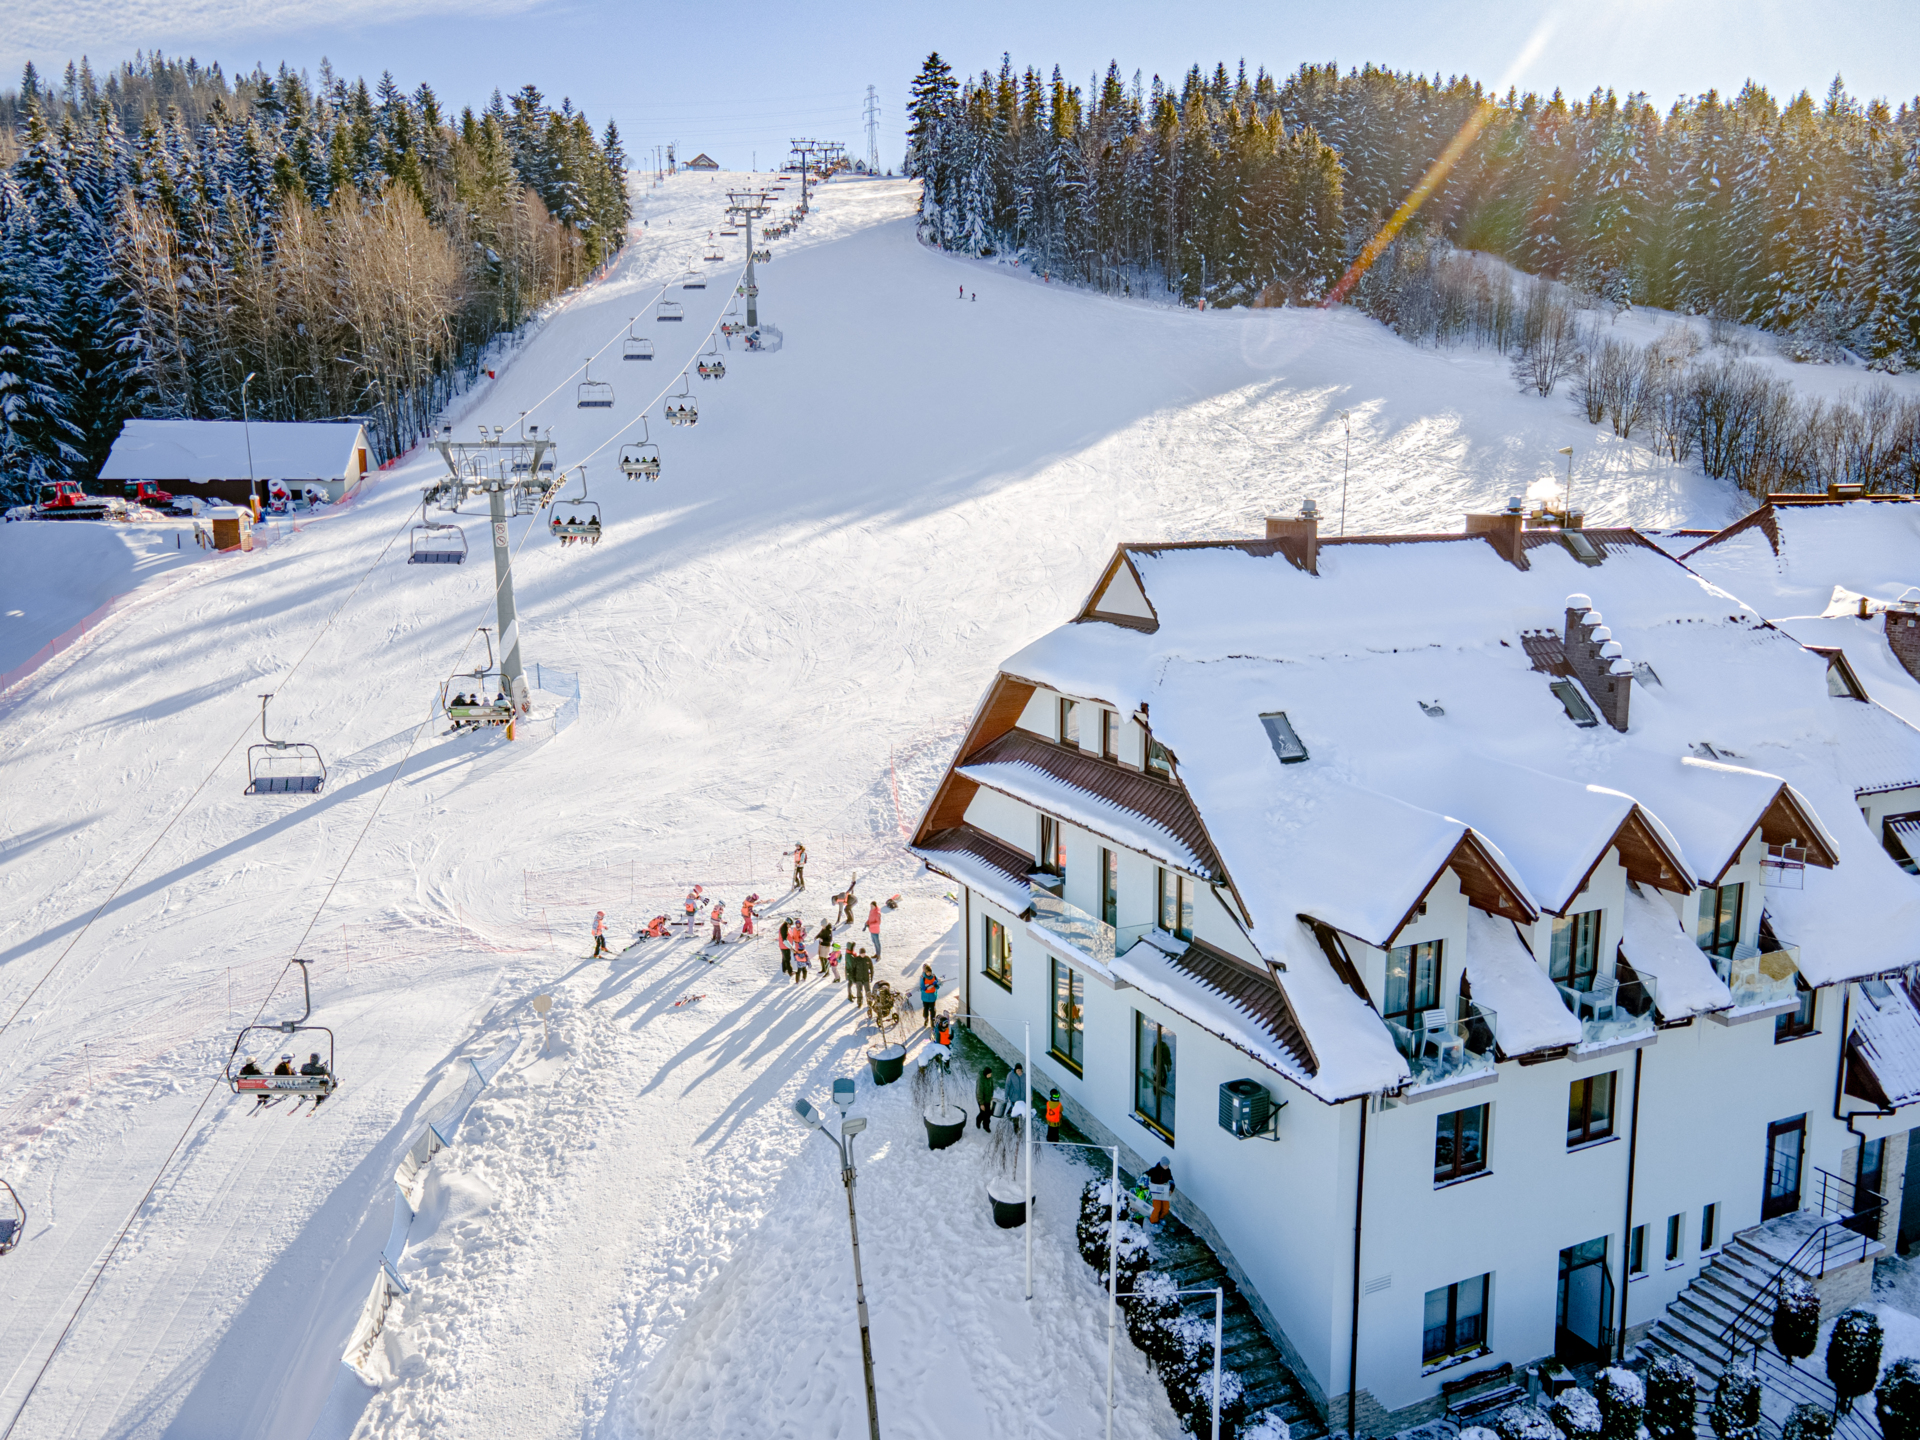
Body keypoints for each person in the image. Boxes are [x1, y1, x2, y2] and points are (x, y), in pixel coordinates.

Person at [1146, 1157, 1174, 1225]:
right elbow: (1145, 1175)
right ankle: (1153, 1221)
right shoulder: (1154, 1170)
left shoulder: (1168, 1171)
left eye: (1168, 1165)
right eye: (1166, 1165)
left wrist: (1171, 1189)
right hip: (1155, 1192)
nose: (1167, 1166)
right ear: (1162, 1164)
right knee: (1156, 1208)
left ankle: (1161, 1217)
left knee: (1166, 1208)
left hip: (1163, 1191)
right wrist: (1146, 1185)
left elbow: (1171, 1181)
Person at [975, 1063, 997, 1132]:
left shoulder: (990, 1078)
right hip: (981, 1098)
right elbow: (979, 1092)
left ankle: (986, 1126)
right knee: (983, 1112)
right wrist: (981, 1104)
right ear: (985, 1074)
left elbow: (992, 1086)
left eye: (991, 1074)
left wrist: (991, 1095)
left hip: (988, 1098)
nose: (990, 1075)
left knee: (988, 1113)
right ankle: (978, 1119)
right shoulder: (981, 1080)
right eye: (989, 1074)